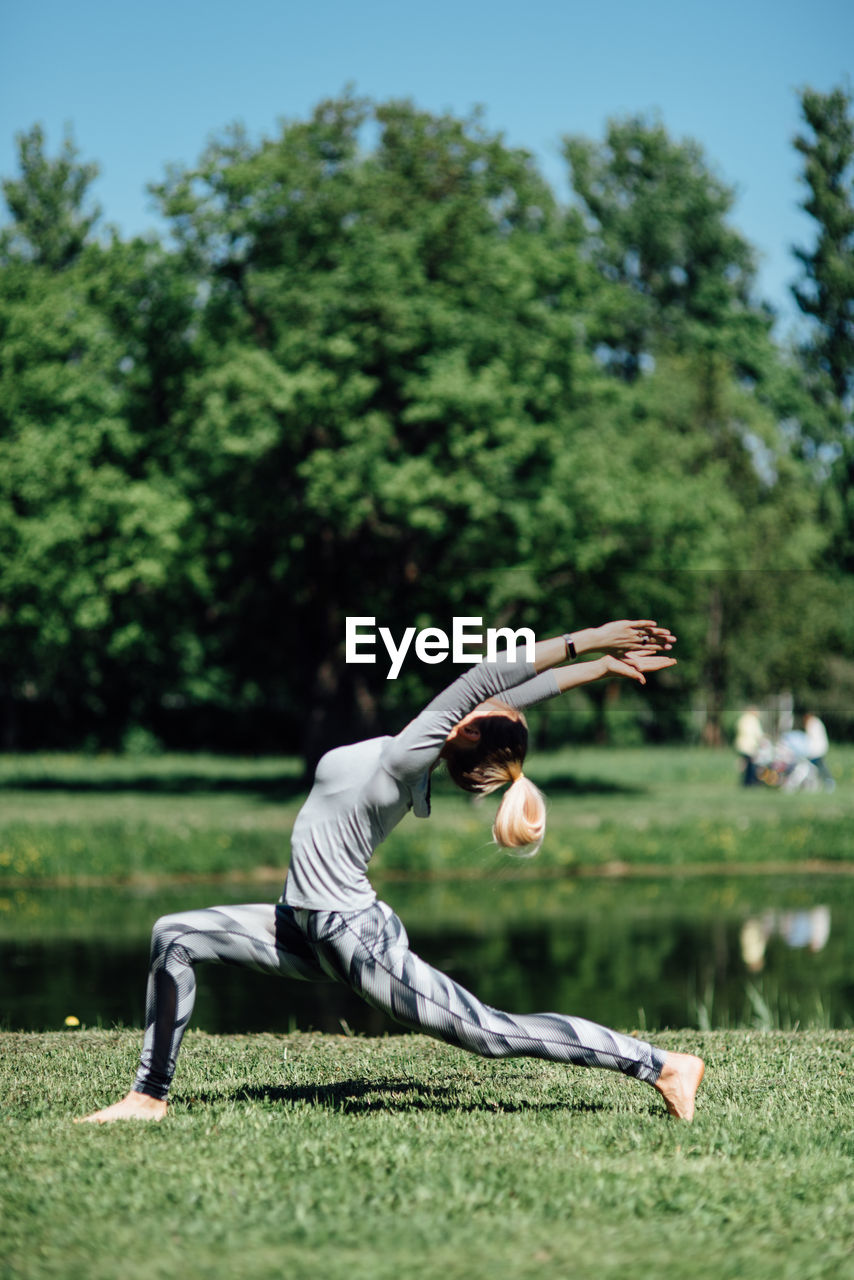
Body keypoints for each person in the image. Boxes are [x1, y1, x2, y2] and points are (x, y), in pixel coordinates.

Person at [77, 618, 704, 1125]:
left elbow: (491, 677)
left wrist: (589, 640)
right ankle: (148, 1097)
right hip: (302, 925)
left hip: (350, 936)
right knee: (174, 936)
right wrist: (595, 670)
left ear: (463, 733)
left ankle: (660, 1064)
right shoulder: (420, 749)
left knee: (488, 1032)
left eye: (490, 713)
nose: (490, 705)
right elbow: (507, 695)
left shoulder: (408, 756)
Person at [803, 712, 834, 791]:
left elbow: (811, 738)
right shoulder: (816, 722)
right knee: (817, 767)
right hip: (818, 749)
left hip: (817, 750)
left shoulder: (813, 723)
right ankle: (819, 783)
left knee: (820, 767)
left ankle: (828, 782)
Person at [734, 705, 764, 787]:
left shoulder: (743, 719)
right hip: (750, 746)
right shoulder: (753, 720)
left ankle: (744, 782)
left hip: (741, 745)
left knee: (744, 764)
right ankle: (750, 782)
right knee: (751, 765)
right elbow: (757, 733)